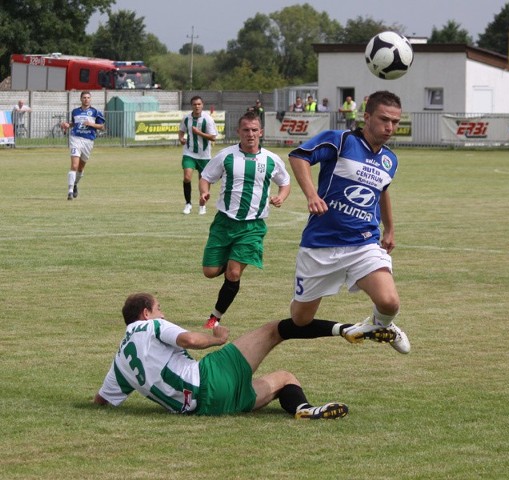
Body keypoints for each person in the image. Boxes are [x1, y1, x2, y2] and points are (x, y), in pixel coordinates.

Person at [93, 292, 360, 419]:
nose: (163, 314)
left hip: (204, 408)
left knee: (285, 378)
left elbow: (101, 400)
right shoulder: (150, 325)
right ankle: (344, 328)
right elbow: (188, 339)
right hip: (208, 378)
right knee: (274, 330)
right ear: (146, 314)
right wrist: (216, 340)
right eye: (159, 309)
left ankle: (305, 410)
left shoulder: (120, 362)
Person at [286, 90, 411, 355]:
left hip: (362, 244)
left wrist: (389, 229)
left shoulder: (390, 159)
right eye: (384, 119)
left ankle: (381, 327)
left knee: (389, 302)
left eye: (395, 122)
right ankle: (346, 327)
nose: (390, 127)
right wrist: (312, 195)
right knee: (300, 319)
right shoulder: (341, 141)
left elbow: (382, 191)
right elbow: (299, 157)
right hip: (320, 245)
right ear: (366, 117)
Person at [199, 111, 291, 328]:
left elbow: (284, 182)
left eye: (254, 130)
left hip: (253, 226)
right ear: (238, 132)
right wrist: (203, 192)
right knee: (210, 272)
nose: (250, 134)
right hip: (224, 222)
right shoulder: (226, 156)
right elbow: (206, 176)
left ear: (261, 132)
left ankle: (215, 317)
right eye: (246, 130)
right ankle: (235, 260)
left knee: (232, 272)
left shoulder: (271, 159)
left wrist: (281, 196)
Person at [61, 91, 106, 200]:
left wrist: (91, 124)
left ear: (90, 99)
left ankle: (75, 184)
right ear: (81, 99)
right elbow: (74, 124)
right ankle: (70, 191)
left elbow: (102, 127)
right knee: (74, 166)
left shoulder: (95, 112)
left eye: (88, 97)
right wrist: (67, 125)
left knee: (80, 168)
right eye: (84, 97)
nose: (86, 99)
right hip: (75, 139)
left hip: (88, 141)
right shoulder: (75, 111)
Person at [179, 95, 218, 215]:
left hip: (204, 155)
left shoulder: (208, 119)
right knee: (187, 177)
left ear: (202, 105)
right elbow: (181, 130)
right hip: (189, 152)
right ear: (191, 106)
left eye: (199, 104)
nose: (197, 106)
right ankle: (188, 204)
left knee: (203, 181)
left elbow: (213, 137)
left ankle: (202, 205)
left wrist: (199, 133)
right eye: (194, 104)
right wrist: (181, 138)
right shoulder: (187, 118)